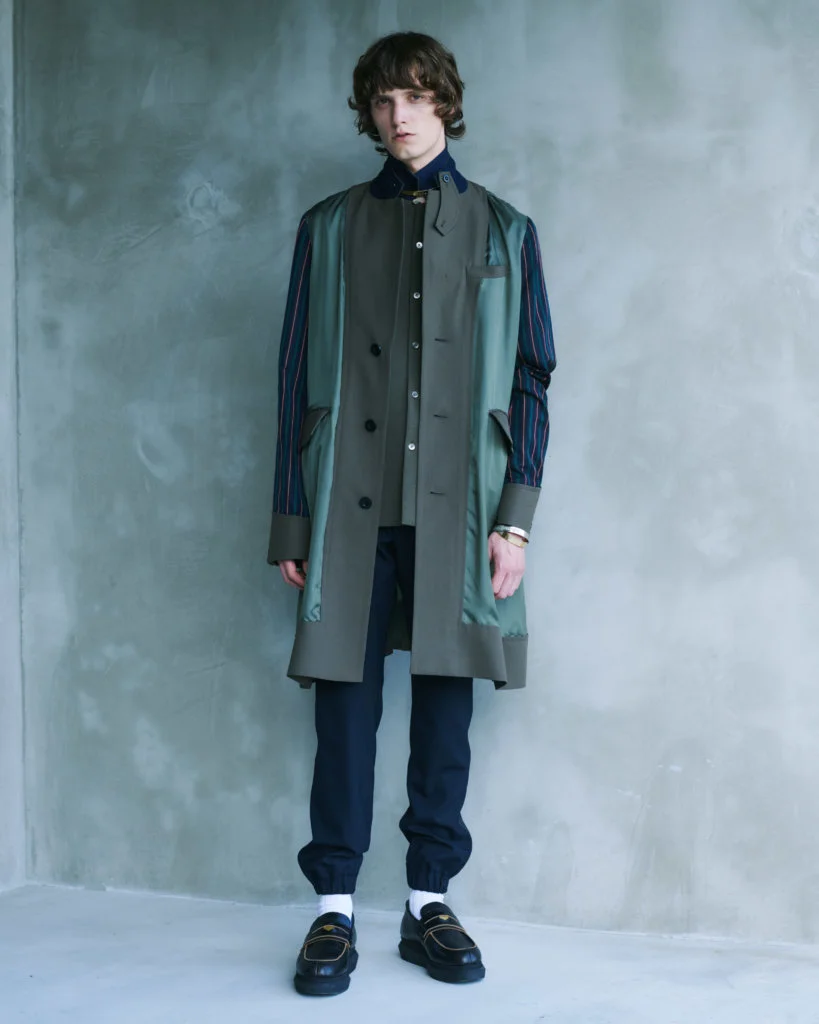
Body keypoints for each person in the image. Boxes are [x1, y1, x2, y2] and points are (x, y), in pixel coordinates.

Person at [267, 30, 556, 996]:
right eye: (384, 99)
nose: (400, 116)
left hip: (460, 516)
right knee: (343, 715)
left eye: (418, 96)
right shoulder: (329, 226)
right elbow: (292, 382)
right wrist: (292, 522)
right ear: (368, 111)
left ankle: (428, 902)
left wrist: (514, 520)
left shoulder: (506, 230)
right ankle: (333, 911)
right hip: (348, 512)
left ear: (445, 103)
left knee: (443, 716)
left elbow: (530, 383)